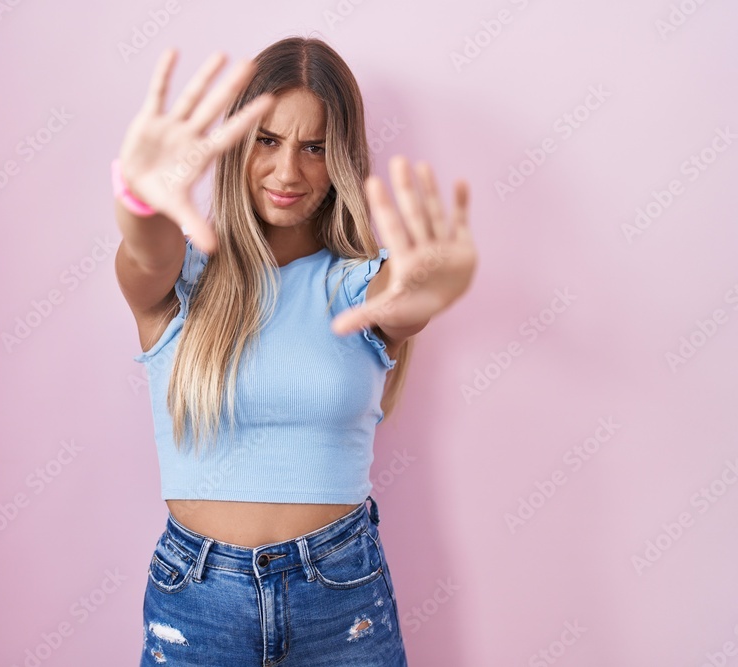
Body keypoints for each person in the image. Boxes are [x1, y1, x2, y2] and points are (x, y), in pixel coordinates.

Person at [113, 36, 476, 666]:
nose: (288, 172)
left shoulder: (357, 285)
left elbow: (404, 299)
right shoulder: (181, 280)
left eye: (315, 148)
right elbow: (146, 252)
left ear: (342, 158)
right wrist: (141, 197)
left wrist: (435, 285)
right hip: (198, 598)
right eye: (267, 140)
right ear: (235, 146)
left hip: (341, 596)